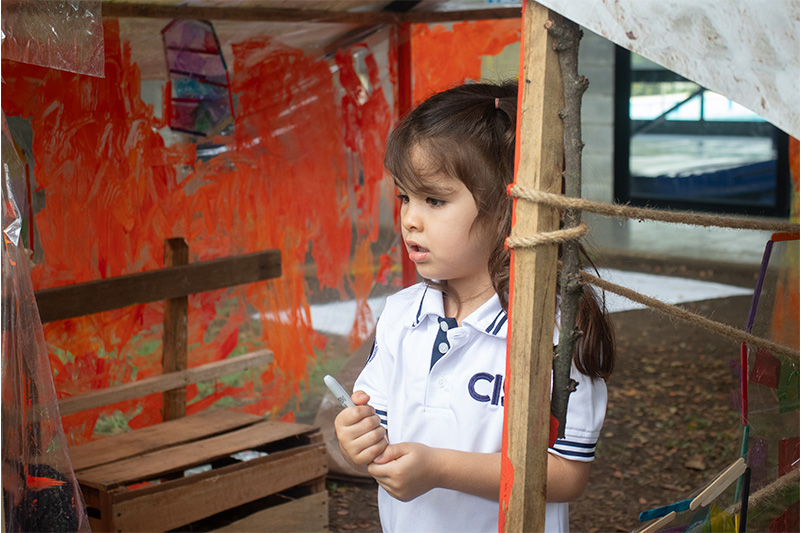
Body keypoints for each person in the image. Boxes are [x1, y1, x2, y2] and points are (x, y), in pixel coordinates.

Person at [334, 81, 615, 532]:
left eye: (435, 200)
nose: (410, 218)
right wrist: (355, 438)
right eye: (405, 197)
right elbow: (377, 425)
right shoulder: (401, 315)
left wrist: (440, 469)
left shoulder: (553, 331)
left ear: (509, 206)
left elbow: (565, 474)